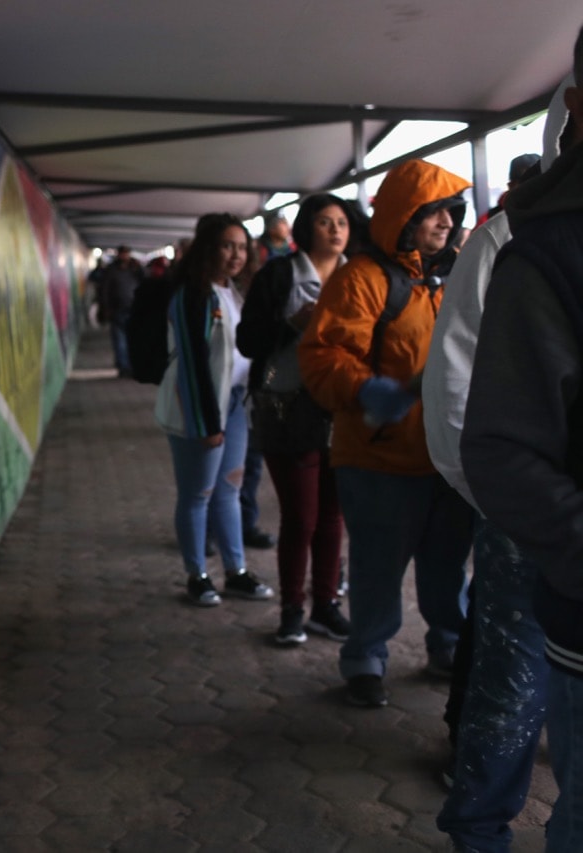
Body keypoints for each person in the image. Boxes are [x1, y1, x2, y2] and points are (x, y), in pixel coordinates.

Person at [427, 72, 575, 852]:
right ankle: (479, 826)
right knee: (511, 692)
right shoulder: (504, 239)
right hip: (524, 519)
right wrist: (493, 500)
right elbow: (454, 378)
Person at [298, 158, 474, 708]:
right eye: (433, 211)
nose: (445, 221)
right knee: (377, 567)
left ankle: (449, 647)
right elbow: (322, 355)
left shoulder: (452, 278)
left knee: (447, 567)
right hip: (378, 459)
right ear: (404, 216)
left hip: (445, 457)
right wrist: (368, 388)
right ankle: (366, 659)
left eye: (451, 210)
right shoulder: (363, 279)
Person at [238, 194, 364, 645]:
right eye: (326, 222)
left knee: (333, 517)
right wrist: (292, 323)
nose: (335, 230)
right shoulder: (279, 274)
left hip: (344, 406)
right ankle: (292, 609)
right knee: (300, 516)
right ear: (307, 227)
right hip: (286, 406)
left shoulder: (359, 276)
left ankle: (325, 606)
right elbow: (248, 340)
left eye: (342, 223)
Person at [156, 213, 274, 607]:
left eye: (242, 247)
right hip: (199, 409)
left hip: (235, 405)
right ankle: (198, 575)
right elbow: (192, 364)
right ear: (208, 248)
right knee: (197, 494)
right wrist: (207, 422)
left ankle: (236, 572)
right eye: (227, 246)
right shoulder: (193, 295)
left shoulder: (234, 292)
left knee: (229, 491)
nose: (236, 255)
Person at [97, 245, 144, 376]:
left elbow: (144, 281)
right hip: (116, 309)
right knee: (119, 339)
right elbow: (104, 290)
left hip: (133, 308)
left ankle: (131, 365)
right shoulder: (111, 270)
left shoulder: (134, 269)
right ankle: (123, 367)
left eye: (126, 253)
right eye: (122, 254)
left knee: (132, 339)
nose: (124, 256)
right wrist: (105, 308)